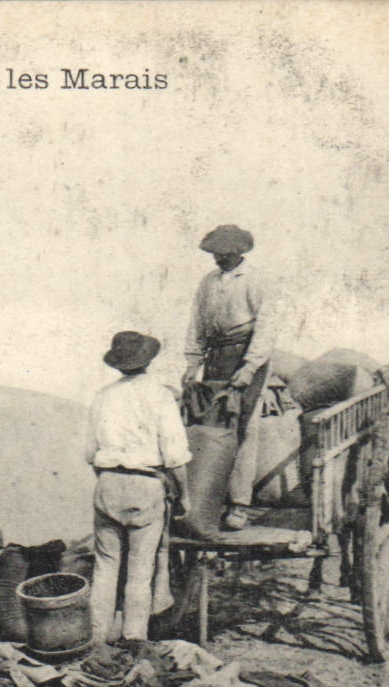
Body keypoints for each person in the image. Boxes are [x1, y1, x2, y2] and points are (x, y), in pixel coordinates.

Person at [85, 331, 192, 646]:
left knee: (105, 567)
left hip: (107, 483)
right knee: (140, 571)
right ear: (148, 360)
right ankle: (134, 639)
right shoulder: (159, 395)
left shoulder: (103, 396)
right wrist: (184, 496)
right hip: (145, 485)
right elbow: (174, 456)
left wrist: (109, 478)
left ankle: (97, 640)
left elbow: (90, 454)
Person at [181, 223, 274, 529]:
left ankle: (240, 505)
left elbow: (266, 329)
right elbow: (196, 323)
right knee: (213, 428)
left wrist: (248, 368)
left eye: (222, 253)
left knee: (243, 428)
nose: (217, 259)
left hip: (246, 356)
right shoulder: (207, 282)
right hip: (216, 359)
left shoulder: (256, 280)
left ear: (237, 252)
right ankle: (210, 499)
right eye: (214, 253)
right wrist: (193, 363)